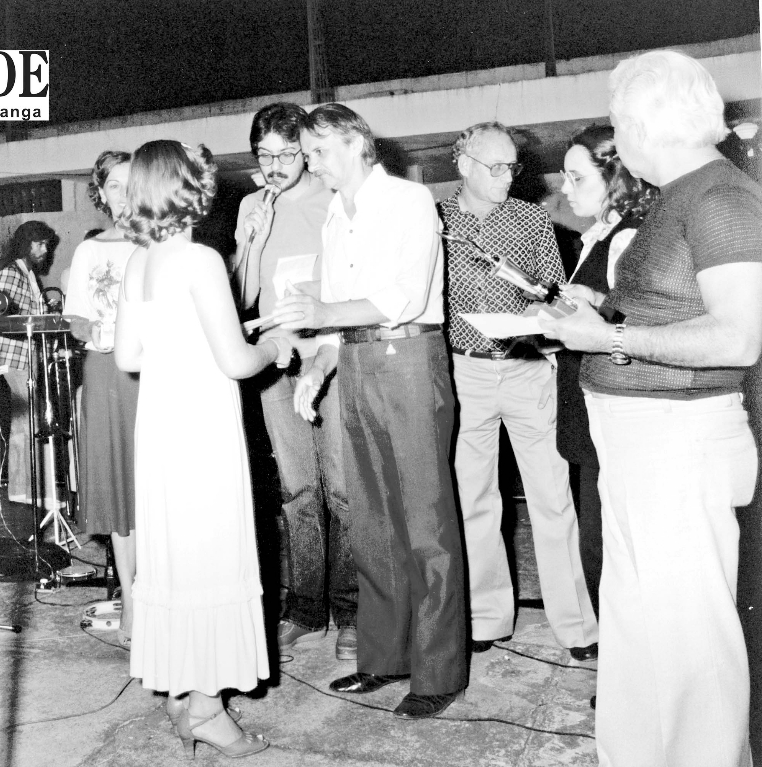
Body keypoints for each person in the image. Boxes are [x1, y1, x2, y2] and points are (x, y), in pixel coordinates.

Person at [539, 49, 762, 767]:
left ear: (644, 124)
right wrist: (600, 308)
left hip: (680, 440)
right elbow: (673, 308)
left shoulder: (719, 198)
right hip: (641, 442)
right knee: (639, 623)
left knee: (689, 639)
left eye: (616, 123)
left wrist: (607, 335)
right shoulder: (680, 193)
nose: (616, 138)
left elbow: (738, 335)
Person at [272, 104, 467, 719]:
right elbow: (334, 306)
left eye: (320, 151)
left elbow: (402, 296)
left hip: (408, 359)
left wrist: (324, 317)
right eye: (307, 154)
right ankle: (384, 658)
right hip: (356, 362)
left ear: (358, 143)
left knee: (425, 520)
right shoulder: (334, 212)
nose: (313, 163)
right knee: (373, 524)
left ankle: (439, 671)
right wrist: (320, 364)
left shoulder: (409, 201)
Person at [114, 140, 291, 757]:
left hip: (162, 425)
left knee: (175, 560)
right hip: (204, 428)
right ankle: (209, 711)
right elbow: (238, 361)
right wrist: (277, 347)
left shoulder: (138, 262)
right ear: (191, 187)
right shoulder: (201, 260)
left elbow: (129, 355)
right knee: (215, 557)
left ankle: (179, 695)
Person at [439, 121, 599, 660]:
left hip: (528, 368)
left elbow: (556, 294)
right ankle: (487, 618)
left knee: (554, 499)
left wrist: (542, 310)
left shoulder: (532, 219)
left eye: (513, 166)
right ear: (463, 164)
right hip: (465, 373)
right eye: (496, 166)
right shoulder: (434, 224)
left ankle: (578, 626)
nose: (508, 176)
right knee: (474, 498)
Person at [231, 102, 356, 660]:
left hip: (327, 355)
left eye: (287, 154)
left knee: (343, 488)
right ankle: (305, 605)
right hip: (275, 358)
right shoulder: (250, 205)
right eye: (265, 156)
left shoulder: (332, 196)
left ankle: (352, 608)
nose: (277, 166)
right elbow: (241, 295)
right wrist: (250, 244)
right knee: (297, 487)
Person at [555, 124, 657, 617]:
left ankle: (627, 678)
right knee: (599, 545)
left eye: (577, 179)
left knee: (607, 548)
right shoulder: (598, 238)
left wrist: (593, 307)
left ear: (615, 178)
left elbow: (630, 329)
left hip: (612, 417)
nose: (565, 190)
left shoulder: (627, 239)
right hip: (591, 416)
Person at [63, 150, 140, 647]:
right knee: (117, 492)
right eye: (113, 185)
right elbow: (76, 320)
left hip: (157, 372)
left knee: (157, 491)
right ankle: (133, 610)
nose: (123, 193)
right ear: (101, 193)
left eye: (132, 183)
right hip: (107, 372)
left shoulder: (164, 245)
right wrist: (103, 331)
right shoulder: (90, 252)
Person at [0, 221, 61, 508]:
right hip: (15, 359)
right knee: (25, 422)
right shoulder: (11, 273)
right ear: (25, 244)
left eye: (46, 244)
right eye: (39, 244)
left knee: (29, 421)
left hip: (28, 357)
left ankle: (28, 488)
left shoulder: (27, 274)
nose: (45, 249)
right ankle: (24, 490)